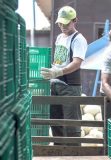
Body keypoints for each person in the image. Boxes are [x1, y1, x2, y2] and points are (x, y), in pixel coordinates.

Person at [40, 6, 88, 146]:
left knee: (71, 124)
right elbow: (59, 60)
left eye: (66, 23)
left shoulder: (79, 39)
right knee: (55, 121)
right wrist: (52, 71)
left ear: (75, 21)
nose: (63, 26)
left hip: (69, 86)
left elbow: (77, 62)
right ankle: (58, 151)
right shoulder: (60, 37)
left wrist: (59, 72)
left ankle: (73, 153)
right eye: (60, 23)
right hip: (55, 84)